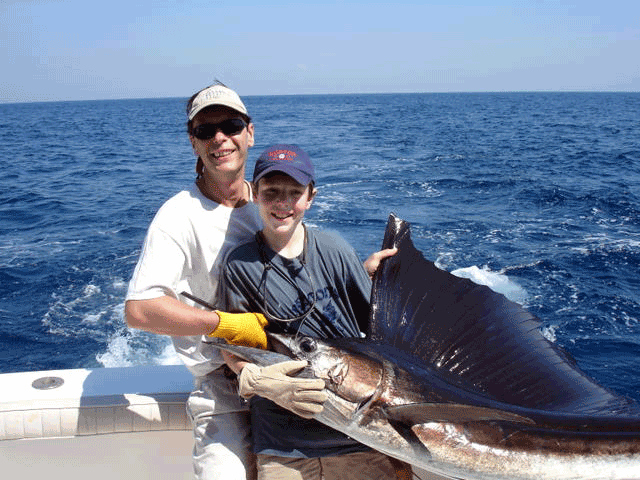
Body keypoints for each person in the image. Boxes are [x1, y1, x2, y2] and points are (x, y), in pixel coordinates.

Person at [125, 82, 286, 480]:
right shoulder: (178, 215)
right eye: (205, 130)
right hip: (225, 388)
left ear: (249, 132)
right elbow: (139, 310)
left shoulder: (272, 204)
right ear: (193, 142)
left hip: (289, 371)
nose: (219, 138)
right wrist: (223, 324)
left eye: (230, 125)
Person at [218, 144, 406, 480]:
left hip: (356, 438)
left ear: (311, 197)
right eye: (272, 192)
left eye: (294, 193)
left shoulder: (335, 249)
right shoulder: (239, 265)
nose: (283, 203)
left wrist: (381, 285)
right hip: (283, 446)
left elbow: (383, 333)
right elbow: (231, 343)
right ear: (255, 193)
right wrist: (255, 377)